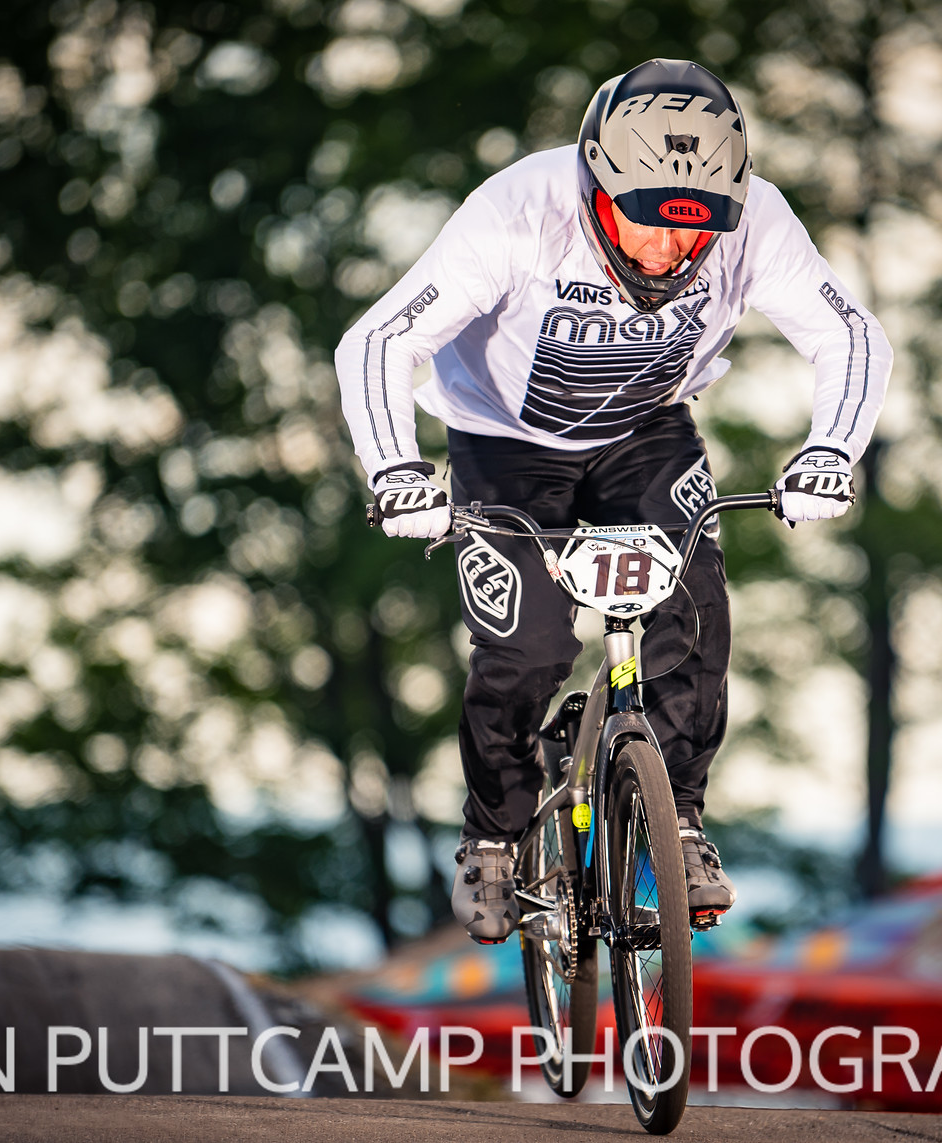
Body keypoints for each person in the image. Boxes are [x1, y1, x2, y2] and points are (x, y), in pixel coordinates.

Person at [336, 59, 892, 943]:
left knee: (696, 612)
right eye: (649, 221)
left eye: (696, 228)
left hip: (646, 430)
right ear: (597, 186)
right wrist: (396, 471)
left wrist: (830, 450)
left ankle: (678, 824)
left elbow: (850, 335)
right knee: (528, 646)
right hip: (502, 440)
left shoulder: (758, 221)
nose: (671, 251)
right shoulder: (517, 214)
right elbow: (377, 341)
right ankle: (493, 836)